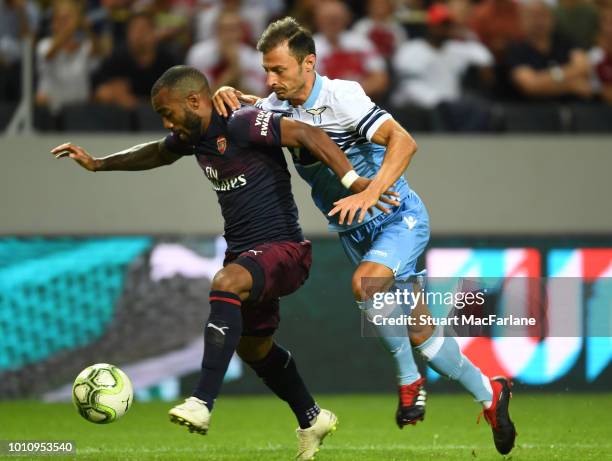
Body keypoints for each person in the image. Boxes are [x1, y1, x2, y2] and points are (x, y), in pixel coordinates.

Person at [51, 65, 395, 460]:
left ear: (195, 101)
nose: (166, 123)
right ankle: (311, 417)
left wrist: (354, 182)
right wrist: (98, 163)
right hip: (246, 254)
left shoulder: (242, 121)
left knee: (226, 282)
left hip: (283, 249)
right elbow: (158, 153)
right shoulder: (193, 136)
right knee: (255, 349)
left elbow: (306, 133)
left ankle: (201, 401)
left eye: (169, 112)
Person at [212, 17, 516, 455]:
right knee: (422, 336)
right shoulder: (277, 108)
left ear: (308, 63)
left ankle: (408, 381)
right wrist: (231, 96)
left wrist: (369, 191)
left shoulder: (342, 96)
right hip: (357, 233)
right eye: (267, 70)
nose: (271, 79)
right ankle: (492, 394)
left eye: (279, 70)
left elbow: (404, 141)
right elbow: (259, 115)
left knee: (365, 284)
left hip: (397, 218)